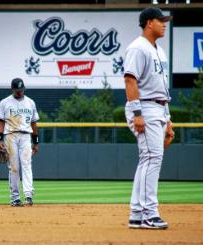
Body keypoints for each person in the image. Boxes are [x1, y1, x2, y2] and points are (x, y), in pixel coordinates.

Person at [123, 7, 175, 229]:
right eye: (160, 20)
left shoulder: (159, 50)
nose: (164, 24)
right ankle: (148, 214)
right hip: (144, 107)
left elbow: (160, 87)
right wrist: (137, 114)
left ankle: (137, 213)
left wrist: (168, 118)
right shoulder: (137, 48)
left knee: (149, 159)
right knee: (152, 158)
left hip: (158, 108)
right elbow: (130, 80)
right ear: (148, 23)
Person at [0, 78, 40, 207]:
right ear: (12, 89)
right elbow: (1, 123)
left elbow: (34, 123)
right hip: (10, 136)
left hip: (26, 136)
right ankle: (15, 198)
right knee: (14, 167)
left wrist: (35, 142)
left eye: (21, 90)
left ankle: (28, 195)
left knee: (26, 164)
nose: (20, 92)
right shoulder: (5, 102)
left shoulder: (30, 103)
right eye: (17, 90)